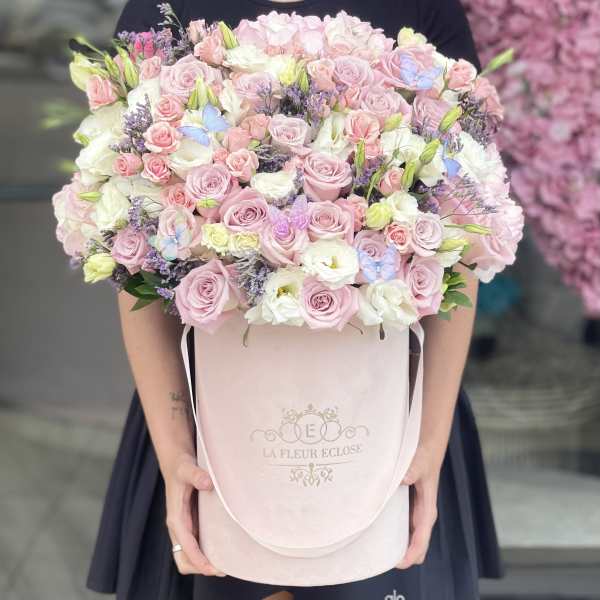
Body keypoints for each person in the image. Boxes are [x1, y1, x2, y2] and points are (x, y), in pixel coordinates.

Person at [86, 0, 504, 598]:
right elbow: (138, 262)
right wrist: (175, 453)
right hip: (210, 424)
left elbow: (460, 241)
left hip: (394, 415)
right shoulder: (164, 10)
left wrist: (430, 444)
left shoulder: (421, 6)